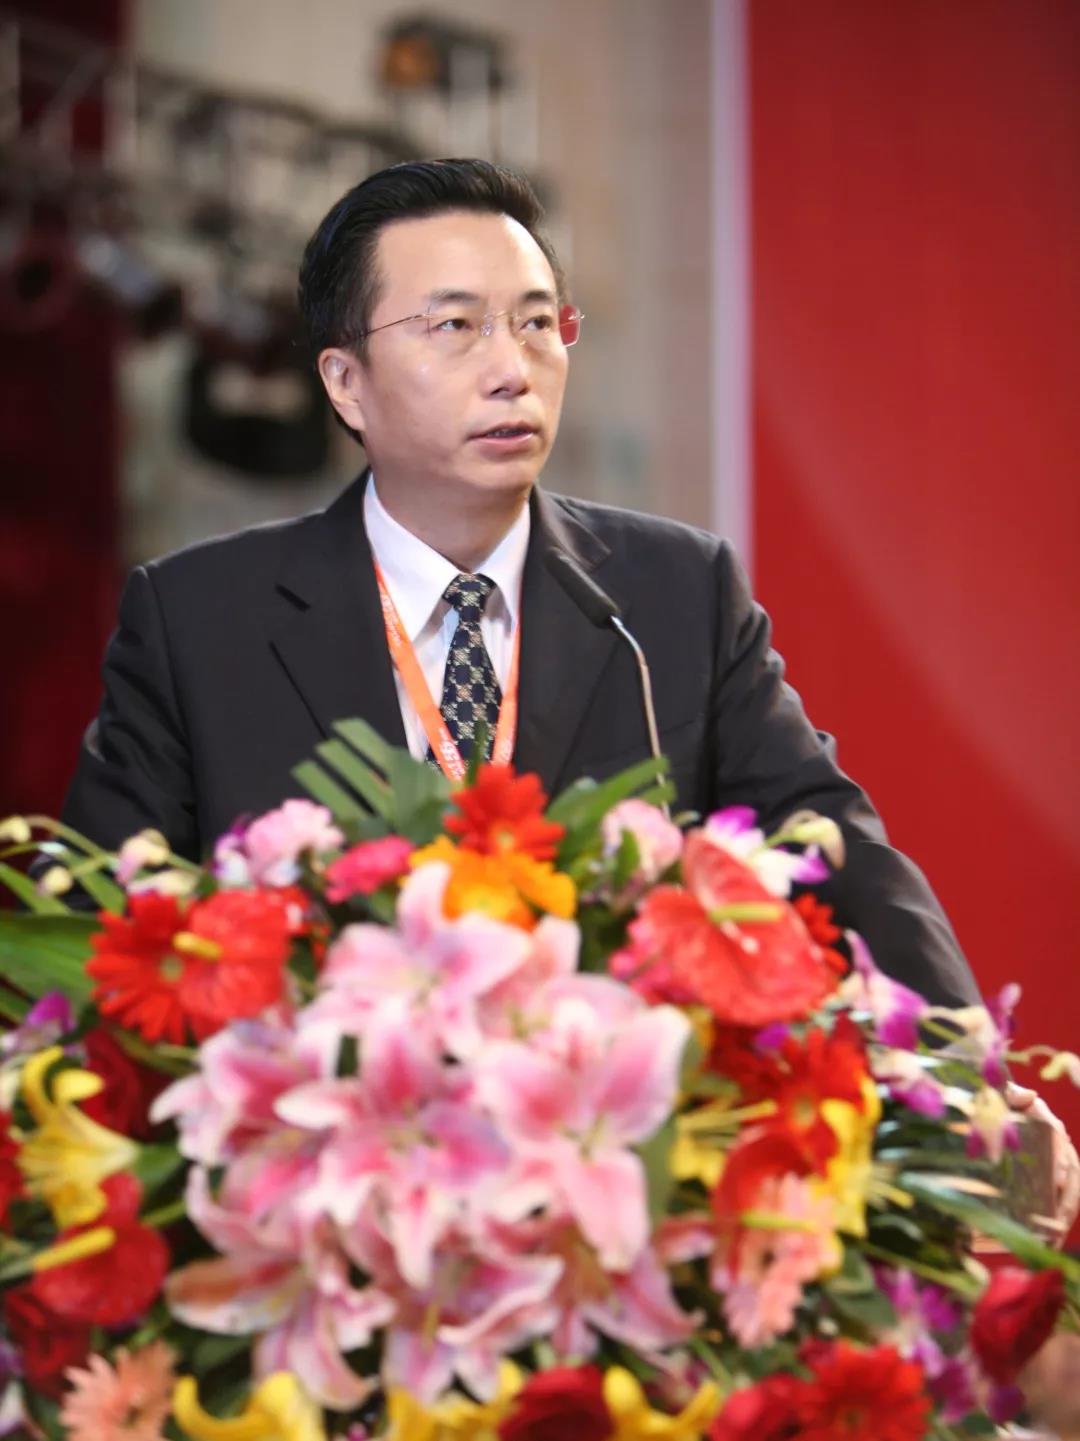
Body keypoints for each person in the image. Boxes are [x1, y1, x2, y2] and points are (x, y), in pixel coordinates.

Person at [63, 158, 975, 1011]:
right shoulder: (199, 622)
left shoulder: (674, 595)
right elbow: (96, 929)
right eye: (455, 327)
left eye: (537, 324)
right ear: (345, 382)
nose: (511, 371)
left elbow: (829, 845)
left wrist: (963, 1072)